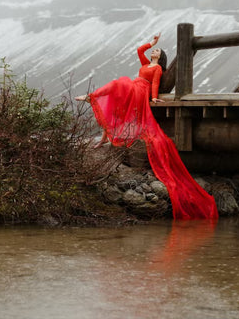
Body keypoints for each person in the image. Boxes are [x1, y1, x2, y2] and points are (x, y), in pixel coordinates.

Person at [75, 33, 218, 221]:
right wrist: (152, 42)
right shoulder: (144, 64)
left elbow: (155, 83)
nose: (154, 51)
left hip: (141, 90)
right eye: (154, 50)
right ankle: (103, 132)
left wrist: (154, 97)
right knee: (116, 104)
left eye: (157, 50)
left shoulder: (157, 68)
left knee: (118, 83)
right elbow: (139, 50)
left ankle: (90, 97)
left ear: (161, 57)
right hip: (134, 87)